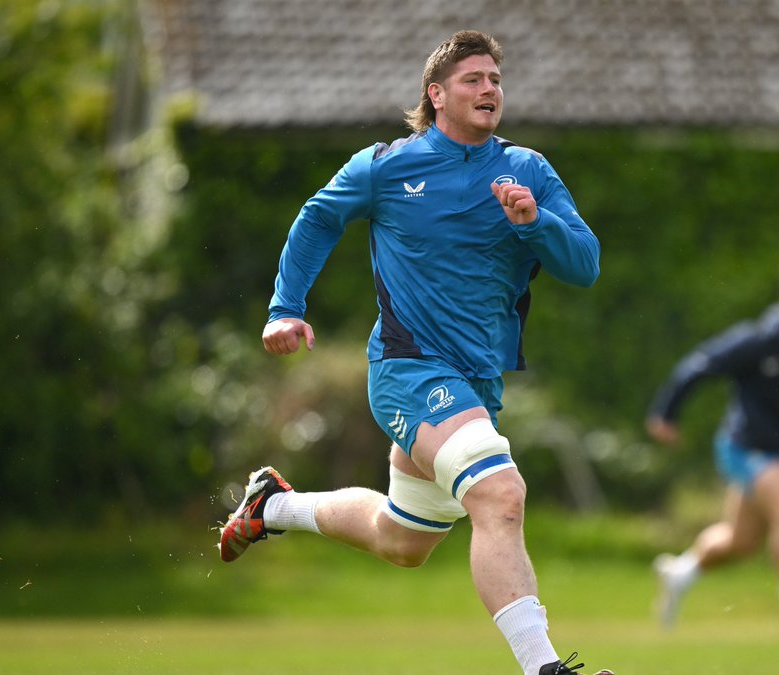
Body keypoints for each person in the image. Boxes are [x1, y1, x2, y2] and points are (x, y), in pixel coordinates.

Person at [217, 30, 612, 675]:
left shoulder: (529, 171)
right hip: (407, 369)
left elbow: (586, 265)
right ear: (436, 95)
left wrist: (534, 222)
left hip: (476, 383)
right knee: (500, 495)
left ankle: (271, 507)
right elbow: (319, 219)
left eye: (495, 80)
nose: (490, 89)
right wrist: (284, 308)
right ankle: (545, 669)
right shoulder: (385, 165)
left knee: (401, 541)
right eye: (472, 79)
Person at [645, 259, 779, 643]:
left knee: (740, 543)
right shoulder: (758, 341)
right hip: (743, 447)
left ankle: (681, 573)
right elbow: (698, 366)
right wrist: (665, 414)